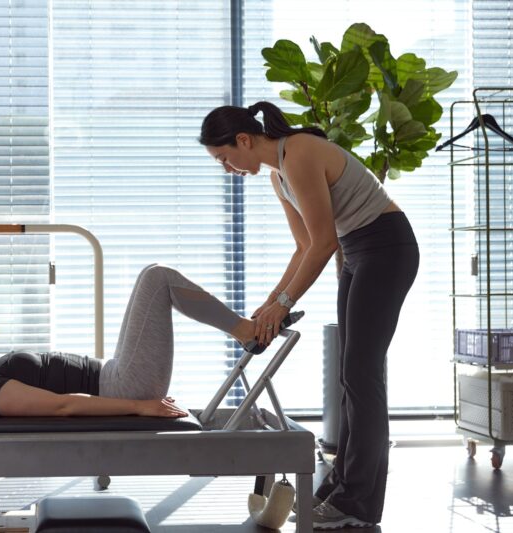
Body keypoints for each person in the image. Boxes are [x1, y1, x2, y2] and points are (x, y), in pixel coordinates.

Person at [199, 102, 419, 530]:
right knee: (351, 377)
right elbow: (303, 247)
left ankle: (358, 504)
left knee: (363, 376)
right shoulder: (279, 176)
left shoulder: (298, 153)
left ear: (243, 140)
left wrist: (283, 303)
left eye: (224, 157)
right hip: (357, 253)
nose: (226, 168)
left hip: (386, 248)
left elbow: (322, 243)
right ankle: (341, 489)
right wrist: (269, 304)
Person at [0, 263, 272, 420]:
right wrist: (141, 406)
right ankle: (246, 331)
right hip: (124, 385)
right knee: (156, 279)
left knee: (151, 277)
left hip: (115, 374)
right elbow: (62, 405)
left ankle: (244, 329)